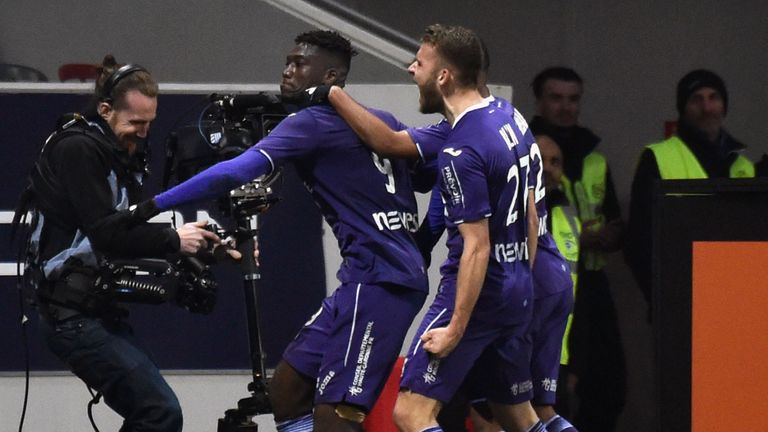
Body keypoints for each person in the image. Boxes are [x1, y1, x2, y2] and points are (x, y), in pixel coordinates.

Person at [149, 30, 429, 432]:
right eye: (288, 61)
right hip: (363, 282)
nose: (287, 71)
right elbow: (429, 177)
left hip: (380, 285)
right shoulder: (382, 122)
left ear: (330, 76)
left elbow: (237, 170)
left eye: (299, 64)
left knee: (334, 417)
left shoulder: (311, 122)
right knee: (288, 388)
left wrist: (152, 205)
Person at [320, 39, 576, 432]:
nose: (410, 69)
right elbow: (528, 209)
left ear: (443, 76)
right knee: (520, 416)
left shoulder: (461, 150)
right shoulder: (509, 116)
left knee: (410, 413)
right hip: (522, 282)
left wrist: (456, 327)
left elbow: (476, 246)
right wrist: (521, 279)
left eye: (419, 63)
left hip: (479, 291)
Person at [15, 55, 219, 432]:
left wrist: (208, 247)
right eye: (135, 123)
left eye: (150, 124)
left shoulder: (117, 153)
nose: (143, 134)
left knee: (156, 411)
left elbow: (126, 230)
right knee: (159, 412)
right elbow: (108, 233)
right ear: (105, 110)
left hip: (95, 312)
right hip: (69, 317)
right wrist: (174, 238)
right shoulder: (77, 148)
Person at [529, 67, 626, 432]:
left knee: (606, 385)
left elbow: (616, 222)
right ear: (540, 100)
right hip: (539, 285)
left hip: (589, 279)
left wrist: (606, 237)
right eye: (556, 97)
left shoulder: (593, 155)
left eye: (573, 99)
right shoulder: (525, 145)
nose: (565, 107)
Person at [625, 69, 754, 309]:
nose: (707, 107)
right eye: (697, 99)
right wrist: (661, 296)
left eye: (714, 97)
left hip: (738, 298)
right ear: (683, 107)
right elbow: (639, 241)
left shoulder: (744, 166)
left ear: (724, 105)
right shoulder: (657, 157)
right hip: (679, 300)